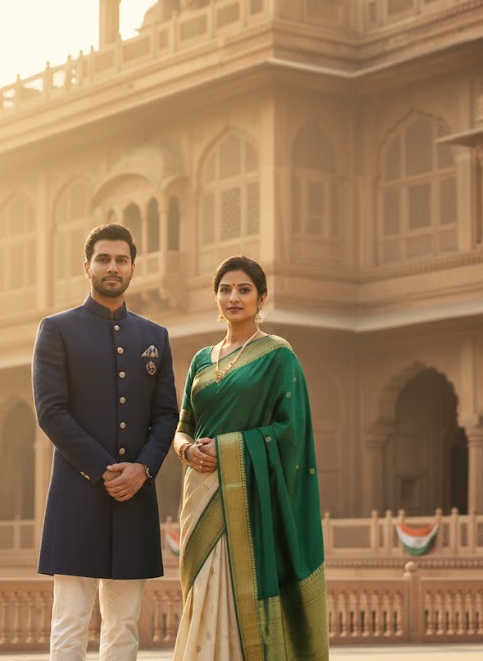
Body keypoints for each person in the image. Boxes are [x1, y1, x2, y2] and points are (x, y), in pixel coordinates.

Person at [171, 256, 329, 661]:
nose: (233, 297)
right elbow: (182, 425)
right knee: (202, 584)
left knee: (235, 580)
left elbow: (291, 430)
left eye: (244, 290)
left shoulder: (278, 356)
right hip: (200, 489)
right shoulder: (201, 360)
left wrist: (228, 450)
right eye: (225, 289)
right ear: (216, 298)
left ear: (261, 298)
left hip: (248, 496)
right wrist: (187, 449)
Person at [32, 223, 178, 660]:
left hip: (135, 494)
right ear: (87, 267)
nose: (112, 267)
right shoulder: (57, 330)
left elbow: (166, 414)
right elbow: (51, 411)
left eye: (120, 260)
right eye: (103, 259)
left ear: (134, 267)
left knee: (124, 623)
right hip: (78, 493)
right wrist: (104, 469)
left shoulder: (154, 336)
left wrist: (143, 469)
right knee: (71, 619)